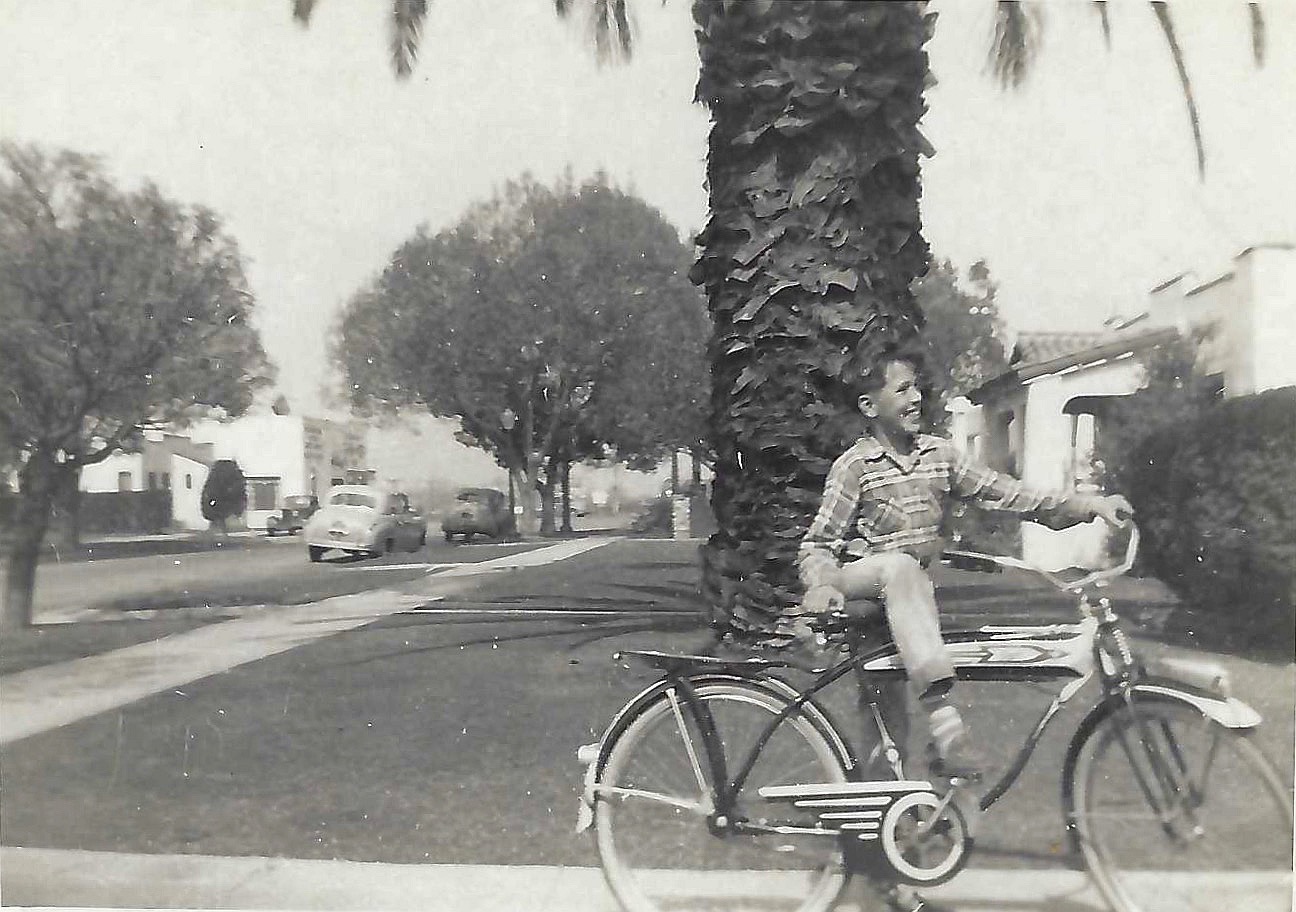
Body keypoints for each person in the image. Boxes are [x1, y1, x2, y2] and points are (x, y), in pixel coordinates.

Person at [793, 352, 1132, 781]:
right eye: (902, 390)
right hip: (861, 587)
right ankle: (946, 725)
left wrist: (1089, 504)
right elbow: (818, 544)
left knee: (887, 736)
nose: (916, 398)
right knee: (898, 566)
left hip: (909, 610)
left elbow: (1009, 494)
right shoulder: (855, 467)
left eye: (916, 387)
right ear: (869, 407)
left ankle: (893, 831)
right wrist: (822, 586)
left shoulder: (939, 456)